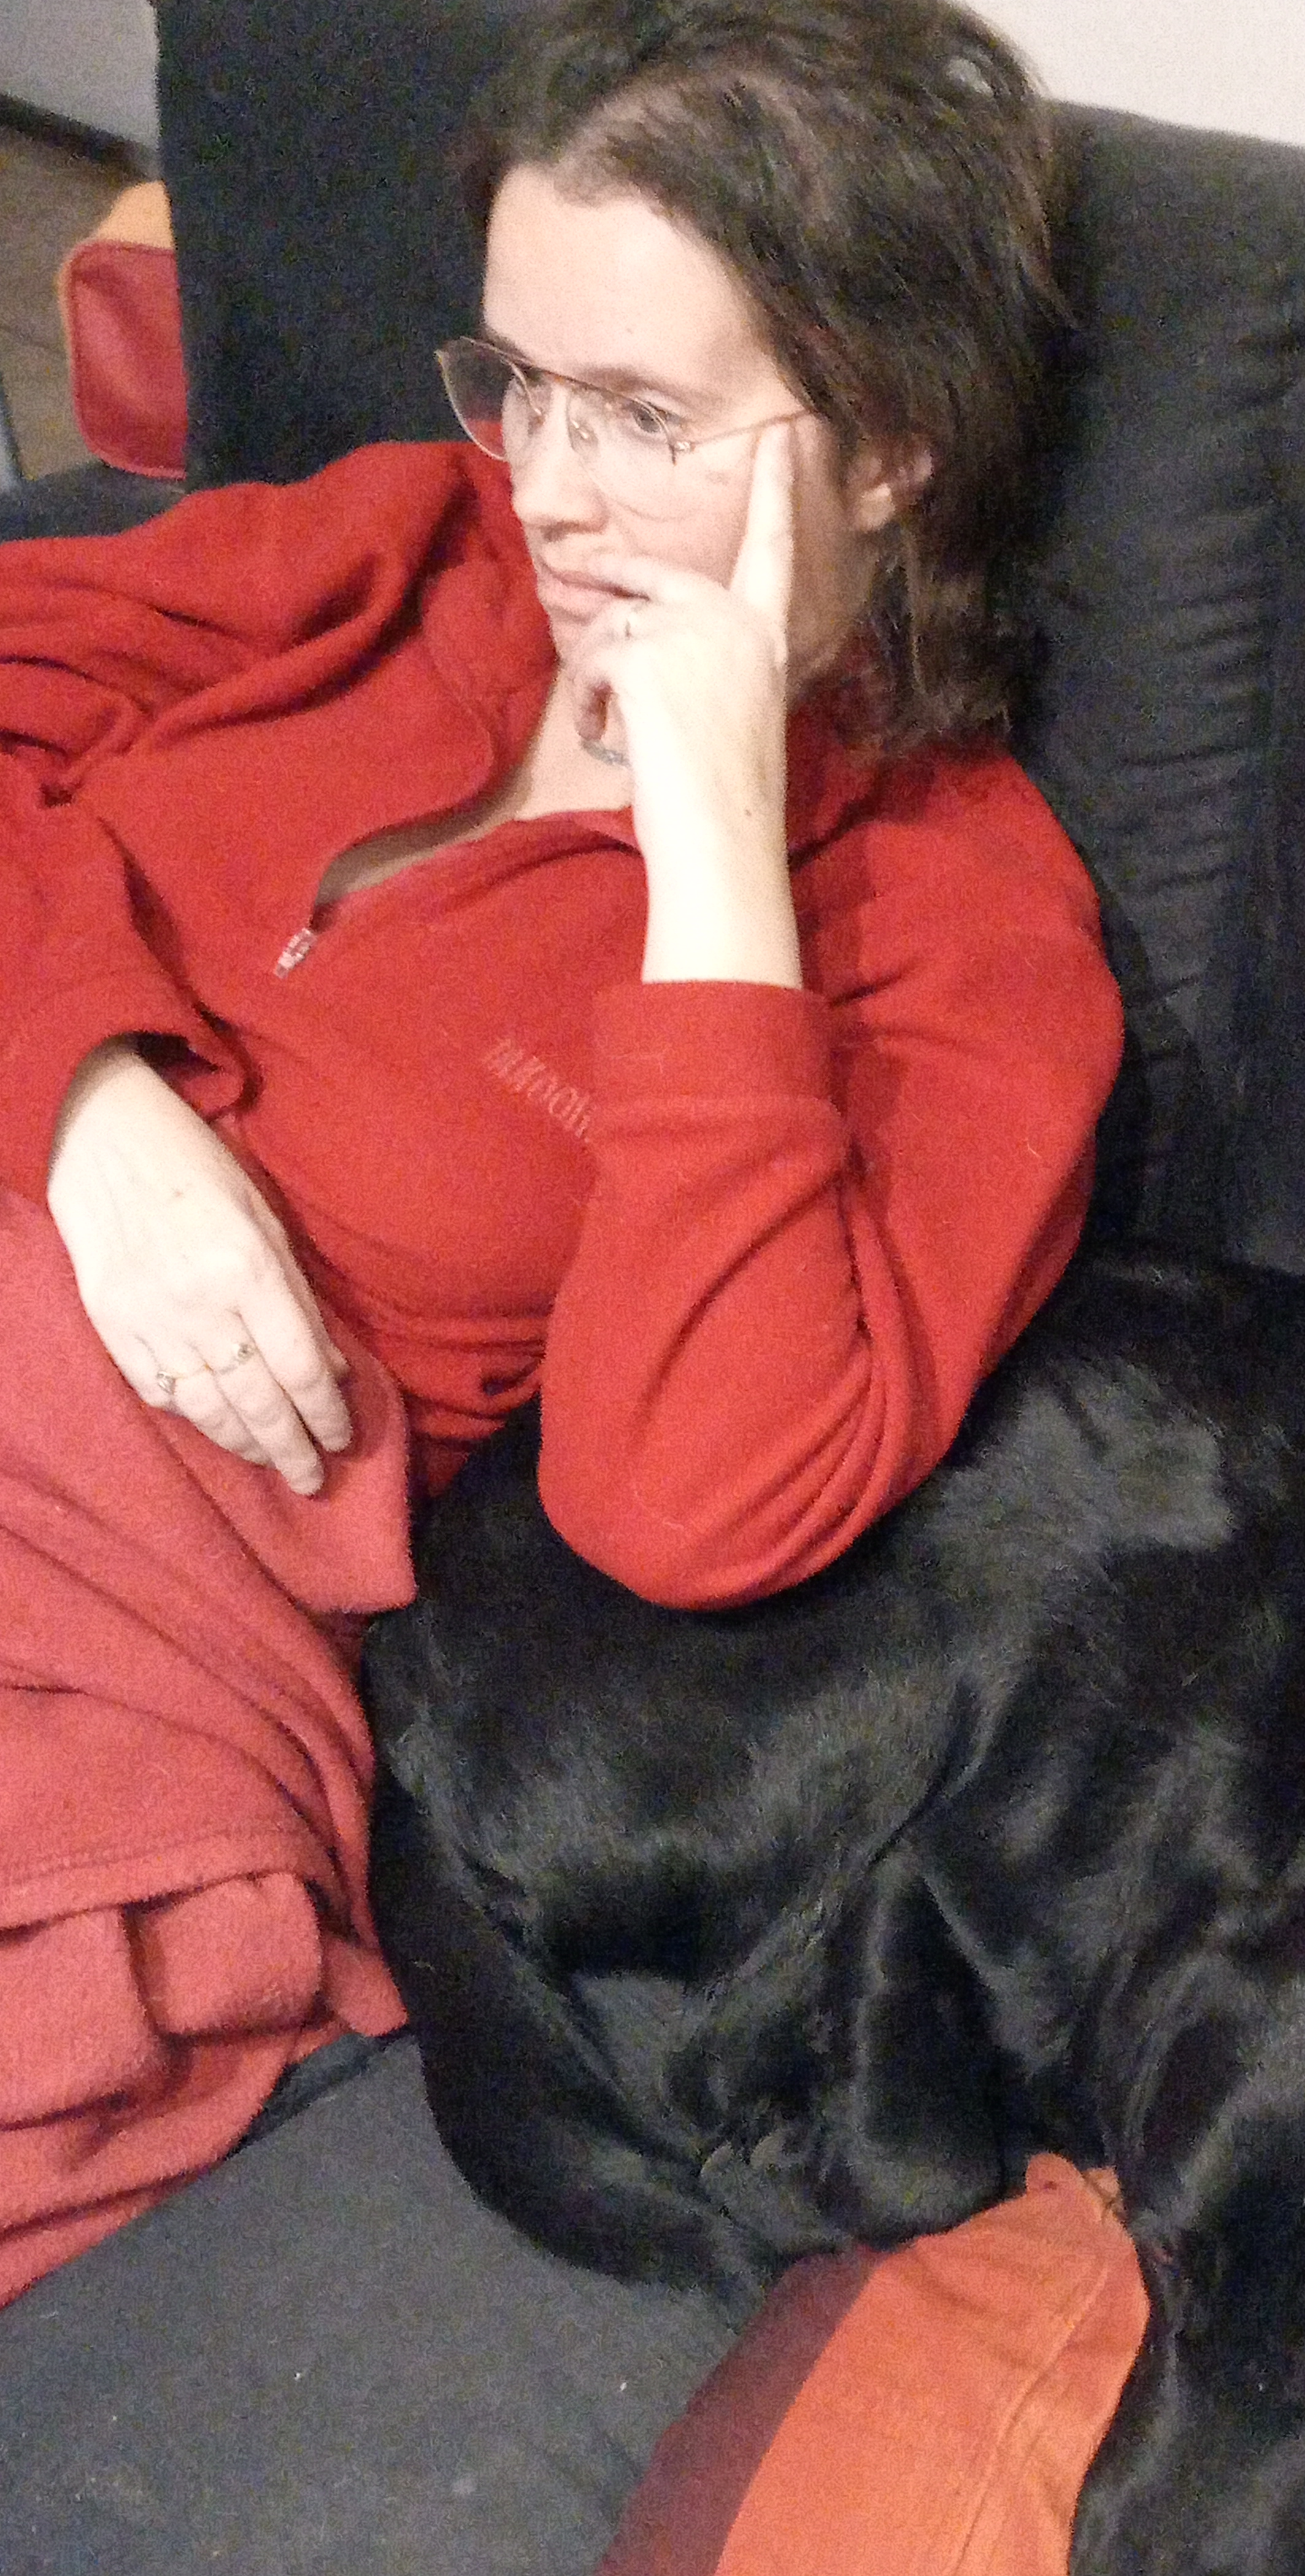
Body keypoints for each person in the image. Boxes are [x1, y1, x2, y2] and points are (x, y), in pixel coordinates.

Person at [0, 0, 1122, 2300]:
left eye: (642, 416)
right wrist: (87, 1094)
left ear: (890, 448)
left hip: (127, 1589)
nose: (551, 485)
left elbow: (699, 1499)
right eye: (517, 382)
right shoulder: (418, 552)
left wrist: (717, 859)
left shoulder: (959, 940)